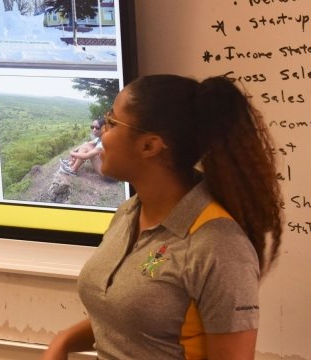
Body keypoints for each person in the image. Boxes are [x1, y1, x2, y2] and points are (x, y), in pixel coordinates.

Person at [41, 74, 283, 360]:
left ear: (149, 146)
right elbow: (130, 320)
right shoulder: (129, 212)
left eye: (112, 122)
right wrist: (63, 341)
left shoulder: (219, 246)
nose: (102, 133)